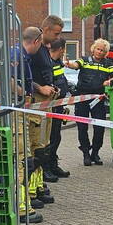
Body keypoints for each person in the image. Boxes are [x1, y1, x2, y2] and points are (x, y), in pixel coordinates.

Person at [10, 27, 48, 223]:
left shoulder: (22, 55)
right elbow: (6, 79)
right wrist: (21, 94)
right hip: (16, 112)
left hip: (20, 111)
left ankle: (23, 203)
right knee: (21, 156)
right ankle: (20, 207)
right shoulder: (17, 55)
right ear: (36, 41)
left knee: (26, 156)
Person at [66, 38, 113, 166]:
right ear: (93, 49)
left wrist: (110, 81)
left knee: (99, 127)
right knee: (82, 127)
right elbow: (75, 65)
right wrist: (69, 64)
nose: (100, 52)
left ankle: (95, 152)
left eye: (102, 50)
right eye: (98, 49)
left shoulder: (108, 63)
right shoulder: (85, 60)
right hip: (82, 98)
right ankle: (86, 153)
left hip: (98, 100)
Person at [35, 16, 64, 181]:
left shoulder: (45, 48)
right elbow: (25, 77)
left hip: (47, 102)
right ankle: (39, 177)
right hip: (36, 103)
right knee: (36, 144)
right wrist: (40, 88)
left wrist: (52, 87)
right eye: (56, 33)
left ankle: (40, 180)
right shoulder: (34, 47)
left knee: (46, 141)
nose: (57, 38)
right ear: (46, 30)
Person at [44, 37, 71, 179]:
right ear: (61, 49)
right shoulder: (48, 63)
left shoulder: (58, 62)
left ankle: (53, 165)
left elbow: (61, 81)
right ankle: (46, 168)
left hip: (59, 104)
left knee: (56, 136)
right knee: (49, 138)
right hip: (50, 105)